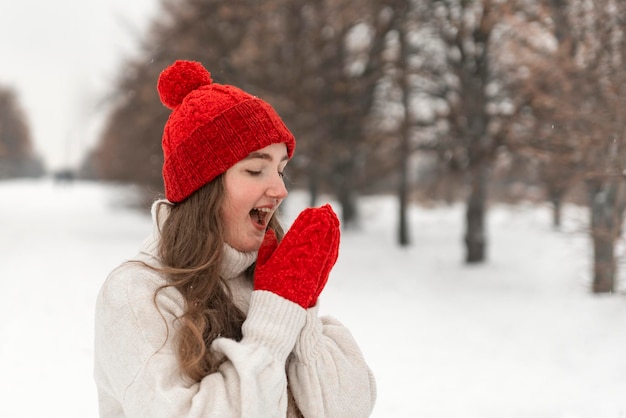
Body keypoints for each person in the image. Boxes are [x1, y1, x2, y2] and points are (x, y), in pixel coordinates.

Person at [94, 60, 376, 417]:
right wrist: (273, 322)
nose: (279, 189)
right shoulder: (138, 295)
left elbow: (348, 409)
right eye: (255, 169)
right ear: (204, 186)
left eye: (280, 170)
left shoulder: (264, 277)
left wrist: (298, 308)